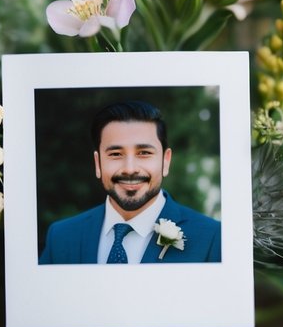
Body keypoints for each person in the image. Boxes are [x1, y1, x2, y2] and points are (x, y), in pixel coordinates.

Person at [39, 99, 221, 264]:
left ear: (165, 161)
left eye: (144, 153)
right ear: (98, 163)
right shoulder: (61, 237)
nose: (130, 168)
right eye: (116, 154)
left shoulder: (212, 238)